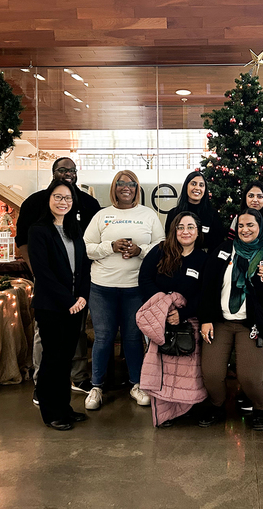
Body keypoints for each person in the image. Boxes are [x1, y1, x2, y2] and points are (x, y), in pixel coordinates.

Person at [196, 208, 263, 431]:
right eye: (241, 225)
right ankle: (218, 406)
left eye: (250, 225)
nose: (245, 229)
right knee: (211, 373)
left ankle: (259, 408)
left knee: (249, 376)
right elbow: (208, 287)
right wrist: (206, 319)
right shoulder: (223, 250)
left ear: (260, 228)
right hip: (220, 322)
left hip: (252, 325)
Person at [16, 157, 101, 404]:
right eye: (62, 170)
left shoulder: (88, 205)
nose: (68, 174)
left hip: (78, 287)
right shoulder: (34, 205)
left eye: (72, 170)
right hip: (50, 288)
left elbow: (92, 245)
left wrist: (81, 293)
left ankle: (78, 377)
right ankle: (42, 384)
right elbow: (22, 242)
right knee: (47, 340)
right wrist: (39, 275)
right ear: (53, 173)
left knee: (76, 334)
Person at [83, 170, 165, 411]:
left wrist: (140, 251)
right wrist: (110, 246)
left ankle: (137, 384)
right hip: (102, 287)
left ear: (137, 188)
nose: (126, 187)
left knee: (132, 337)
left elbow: (161, 247)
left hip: (134, 287)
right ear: (114, 188)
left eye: (131, 184)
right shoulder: (102, 215)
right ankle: (96, 386)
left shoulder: (148, 215)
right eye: (121, 183)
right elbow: (86, 248)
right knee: (104, 337)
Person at [27, 180, 91, 431]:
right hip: (52, 306)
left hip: (77, 304)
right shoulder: (38, 230)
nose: (63, 202)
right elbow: (43, 273)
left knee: (65, 359)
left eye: (68, 198)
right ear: (49, 199)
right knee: (52, 360)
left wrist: (83, 297)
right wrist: (69, 301)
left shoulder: (74, 230)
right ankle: (50, 412)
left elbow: (84, 267)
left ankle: (64, 407)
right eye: (58, 197)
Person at [137, 211, 208, 427]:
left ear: (197, 232)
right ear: (174, 230)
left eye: (190, 227)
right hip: (160, 320)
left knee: (189, 370)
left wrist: (182, 313)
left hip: (189, 322)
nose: (185, 231)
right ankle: (167, 412)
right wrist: (163, 305)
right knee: (163, 369)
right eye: (180, 227)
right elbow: (144, 279)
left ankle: (187, 408)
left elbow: (205, 293)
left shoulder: (203, 259)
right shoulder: (160, 251)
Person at [165, 171, 224, 252]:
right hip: (178, 260)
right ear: (186, 186)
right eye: (193, 184)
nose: (197, 188)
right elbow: (169, 241)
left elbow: (218, 244)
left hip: (205, 262)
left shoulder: (213, 214)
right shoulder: (173, 214)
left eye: (201, 185)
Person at [226, 180, 263, 257]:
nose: (255, 200)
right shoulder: (237, 219)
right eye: (251, 196)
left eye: (260, 196)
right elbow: (230, 246)